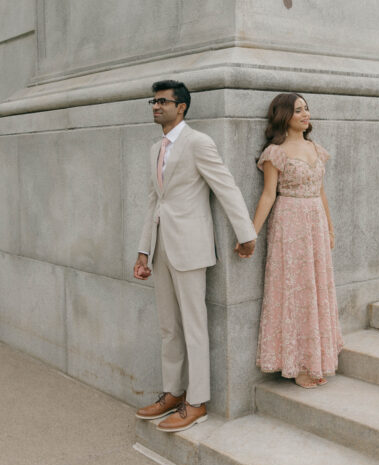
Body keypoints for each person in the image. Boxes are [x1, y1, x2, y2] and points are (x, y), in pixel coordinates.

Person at [134, 80, 257, 431]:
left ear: (181, 107)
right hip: (160, 248)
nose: (156, 106)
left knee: (194, 326)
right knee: (168, 327)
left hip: (190, 247)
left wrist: (245, 233)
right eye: (153, 101)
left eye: (163, 101)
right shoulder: (155, 147)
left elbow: (225, 186)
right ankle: (172, 392)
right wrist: (143, 250)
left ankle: (197, 401)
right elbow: (153, 201)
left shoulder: (199, 143)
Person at [246, 92, 343, 389]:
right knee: (293, 290)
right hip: (289, 222)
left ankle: (316, 358)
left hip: (314, 219)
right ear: (284, 115)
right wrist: (250, 233)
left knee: (316, 288)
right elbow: (268, 195)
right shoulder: (276, 153)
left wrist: (329, 227)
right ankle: (297, 363)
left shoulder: (316, 149)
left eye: (307, 109)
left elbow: (322, 192)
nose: (305, 114)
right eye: (298, 110)